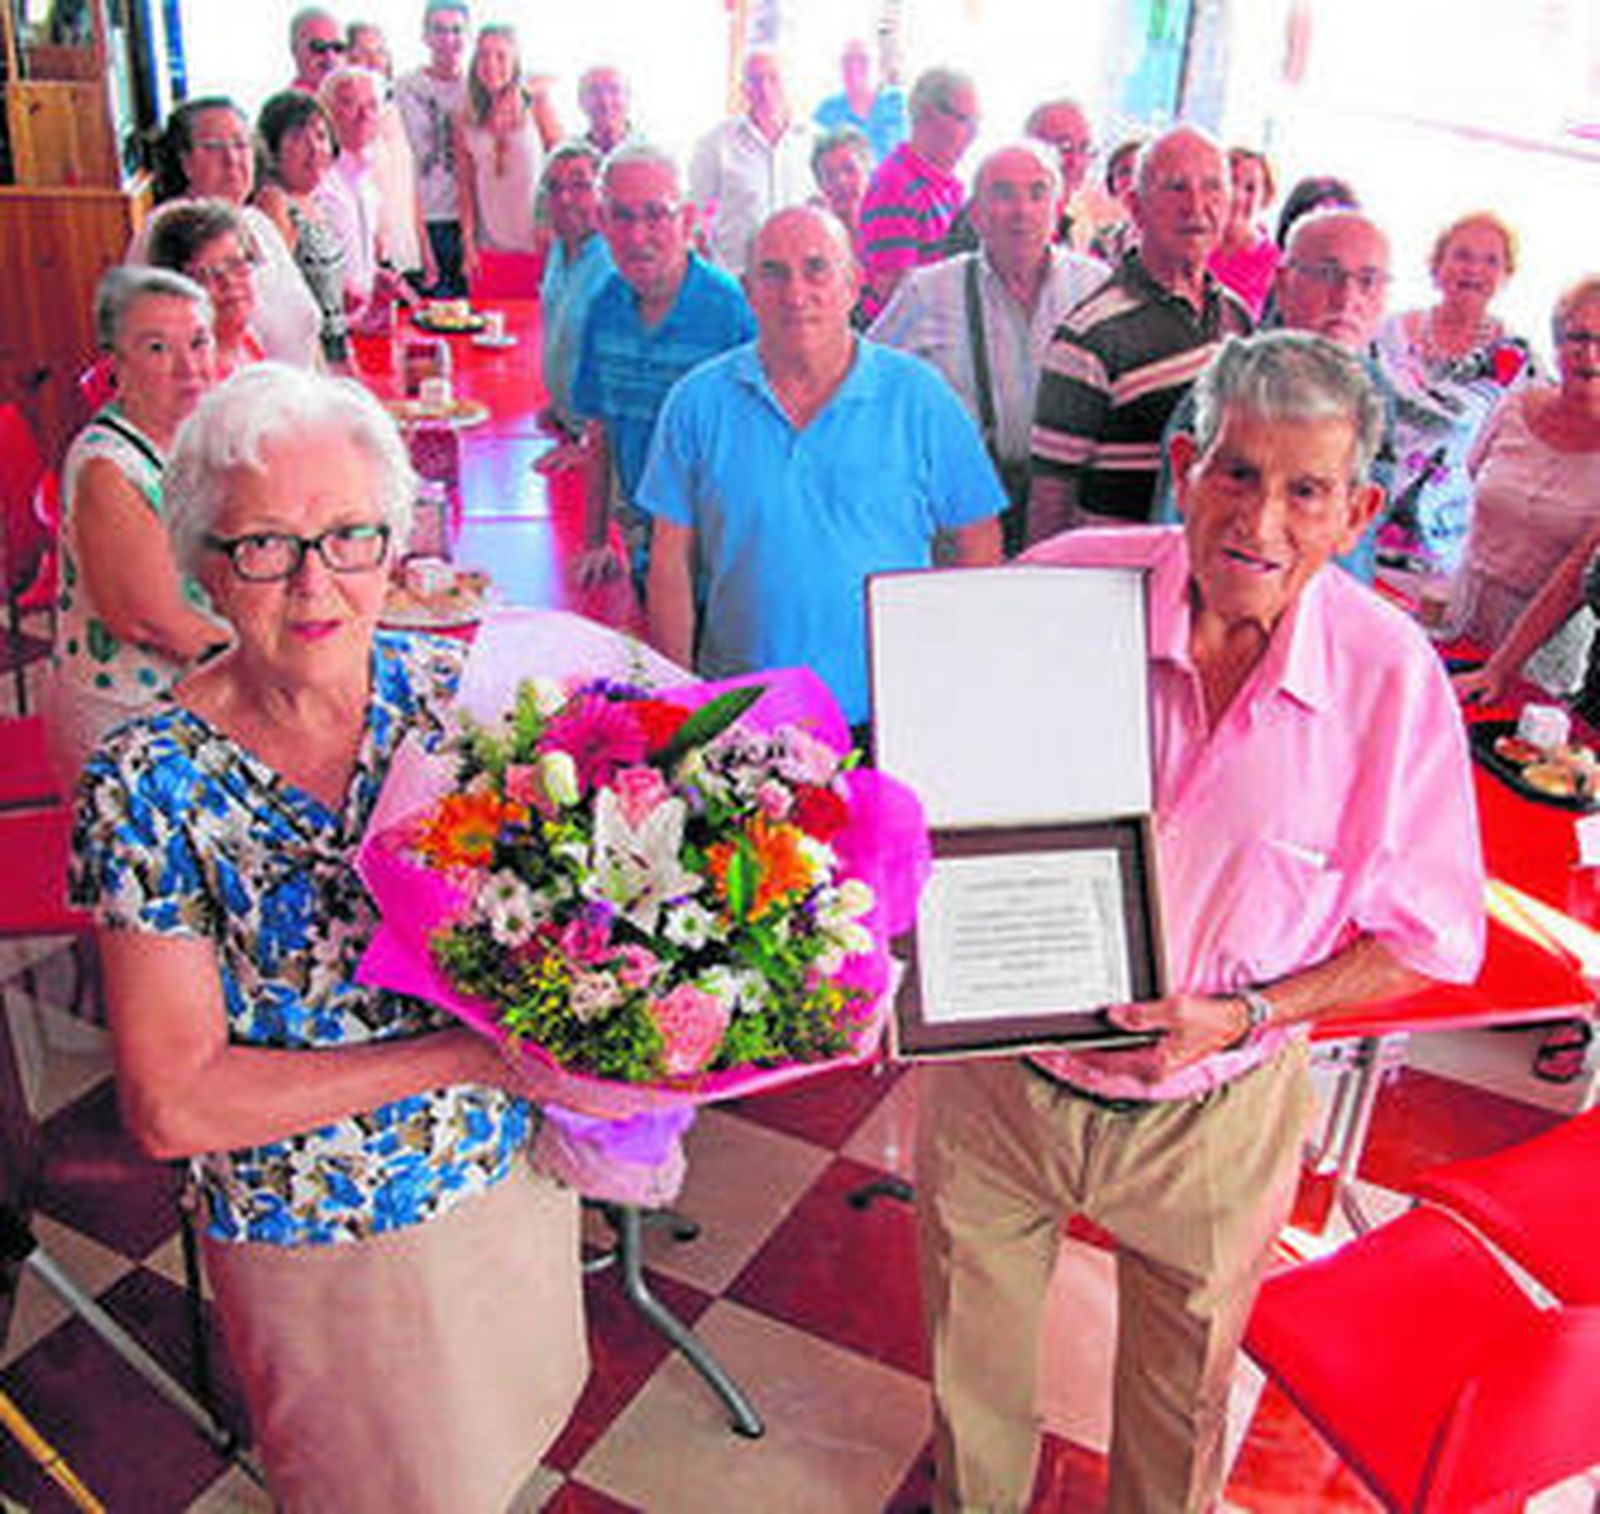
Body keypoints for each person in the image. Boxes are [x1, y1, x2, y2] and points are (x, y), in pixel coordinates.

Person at [919, 330, 1485, 1514]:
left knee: (1181, 1403)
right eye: (1235, 472)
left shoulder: (1390, 681)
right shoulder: (1064, 587)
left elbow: (1430, 933)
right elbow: (933, 788)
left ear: (1357, 508)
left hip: (1216, 1114)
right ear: (1182, 464)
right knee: (970, 1362)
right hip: (1003, 1080)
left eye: (1304, 489)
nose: (1259, 521)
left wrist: (1246, 1013)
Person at [70, 363, 588, 1512]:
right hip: (325, 1233)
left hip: (498, 1184)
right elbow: (175, 1103)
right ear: (204, 557)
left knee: (503, 1455)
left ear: (395, 544)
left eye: (350, 536)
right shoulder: (146, 783)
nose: (315, 583)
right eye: (264, 544)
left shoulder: (460, 697)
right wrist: (471, 1056)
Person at [639, 206, 1005, 730]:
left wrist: (943, 671)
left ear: (853, 284)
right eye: (773, 273)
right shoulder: (696, 401)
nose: (795, 293)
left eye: (817, 269)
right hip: (743, 718)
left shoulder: (919, 396)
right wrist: (681, 710)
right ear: (747, 289)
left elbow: (978, 540)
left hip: (889, 713)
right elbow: (669, 561)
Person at [870, 143, 1106, 553]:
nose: (1022, 210)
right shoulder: (927, 292)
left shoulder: (1096, 287)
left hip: (1068, 522)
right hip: (957, 528)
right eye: (1003, 194)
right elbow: (868, 387)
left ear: (1058, 206)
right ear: (975, 213)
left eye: (1037, 193)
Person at [1030, 126, 1252, 537]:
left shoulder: (1236, 318)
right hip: (1116, 581)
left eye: (1213, 188)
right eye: (1176, 189)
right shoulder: (1089, 337)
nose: (1197, 207)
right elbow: (1050, 503)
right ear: (1135, 206)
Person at [45, 267, 223, 779]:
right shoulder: (107, 467)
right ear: (116, 365)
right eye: (157, 348)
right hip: (127, 725)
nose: (188, 367)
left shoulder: (191, 435)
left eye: (199, 342)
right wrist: (276, 666)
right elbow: (152, 622)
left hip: (189, 700)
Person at [1155, 208, 1397, 582]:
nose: (1347, 297)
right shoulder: (1230, 388)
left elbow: (1360, 536)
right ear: (1282, 283)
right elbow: (1176, 539)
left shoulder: (1376, 391)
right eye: (1328, 275)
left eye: (1368, 280)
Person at [570, 145, 755, 593]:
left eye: (656, 215)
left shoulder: (730, 313)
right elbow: (600, 432)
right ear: (601, 222)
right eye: (621, 216)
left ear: (688, 221)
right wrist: (596, 540)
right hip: (641, 539)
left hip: (719, 551)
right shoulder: (604, 305)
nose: (637, 236)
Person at [1446, 277, 1600, 700]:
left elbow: (1575, 578)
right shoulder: (1515, 404)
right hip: (1465, 607)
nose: (1589, 355)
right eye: (1578, 337)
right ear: (1557, 342)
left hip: (1539, 646)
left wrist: (1499, 668)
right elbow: (1474, 478)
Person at [1374, 210, 1533, 578]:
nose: (1473, 269)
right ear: (1437, 264)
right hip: (1365, 510)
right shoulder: (1387, 332)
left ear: (1506, 275)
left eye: (1491, 260)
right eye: (1462, 256)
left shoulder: (1519, 360)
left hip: (1445, 539)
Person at [145, 97, 321, 367]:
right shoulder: (171, 227)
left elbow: (307, 323)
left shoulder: (258, 223)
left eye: (241, 145)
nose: (232, 159)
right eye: (213, 148)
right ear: (185, 161)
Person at [858, 66, 980, 321]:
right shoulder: (896, 187)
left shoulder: (949, 186)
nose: (974, 132)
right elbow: (896, 296)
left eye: (977, 121)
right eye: (964, 119)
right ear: (926, 115)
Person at [689, 48, 814, 276]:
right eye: (756, 80)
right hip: (737, 279)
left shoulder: (813, 141)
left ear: (788, 83)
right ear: (743, 89)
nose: (765, 90)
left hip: (799, 282)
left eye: (773, 79)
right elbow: (691, 215)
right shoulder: (716, 143)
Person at [255, 90, 352, 371]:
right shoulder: (274, 203)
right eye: (298, 138)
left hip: (335, 357)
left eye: (321, 136)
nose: (315, 149)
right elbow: (278, 300)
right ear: (272, 149)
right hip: (305, 366)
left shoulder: (312, 200)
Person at [455, 24, 560, 277]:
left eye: (501, 56)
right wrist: (468, 243)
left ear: (516, 63)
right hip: (490, 247)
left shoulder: (536, 105)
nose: (491, 64)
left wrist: (549, 224)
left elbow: (562, 170)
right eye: (483, 55)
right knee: (489, 316)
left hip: (539, 245)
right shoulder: (465, 120)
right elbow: (465, 188)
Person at [537, 141, 614, 471]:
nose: (565, 198)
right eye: (555, 188)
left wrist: (590, 448)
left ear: (603, 194)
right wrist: (558, 407)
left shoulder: (616, 262)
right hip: (564, 431)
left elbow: (626, 371)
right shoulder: (559, 249)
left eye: (580, 186)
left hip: (601, 451)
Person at [316, 66, 412, 324]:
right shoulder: (316, 180)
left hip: (365, 327)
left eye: (372, 105)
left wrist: (376, 277)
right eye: (350, 104)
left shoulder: (367, 182)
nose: (364, 115)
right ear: (325, 113)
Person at [345, 18, 433, 291]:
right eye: (362, 52)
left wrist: (425, 250)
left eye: (379, 51)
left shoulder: (393, 110)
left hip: (408, 253)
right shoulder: (348, 119)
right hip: (375, 257)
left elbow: (409, 185)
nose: (373, 60)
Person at [395, 0, 472, 297]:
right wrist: (419, 239)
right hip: (420, 221)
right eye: (439, 30)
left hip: (467, 225)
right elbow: (400, 166)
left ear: (467, 36)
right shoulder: (404, 87)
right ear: (425, 36)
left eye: (456, 30)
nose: (448, 40)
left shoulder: (476, 88)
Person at [144, 201, 265, 379]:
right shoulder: (186, 375)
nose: (228, 281)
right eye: (205, 274)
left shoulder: (245, 342)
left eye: (236, 264)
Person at [1023, 96, 1109, 253]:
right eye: (1064, 148)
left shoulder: (1080, 232)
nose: (1076, 162)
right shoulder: (997, 221)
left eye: (1085, 148)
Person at [811, 36, 908, 163]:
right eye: (847, 60)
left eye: (863, 60)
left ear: (878, 65)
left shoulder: (899, 103)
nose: (854, 67)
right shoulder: (826, 110)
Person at [1209, 147, 1278, 318]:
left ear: (1266, 197)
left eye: (1250, 188)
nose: (1237, 197)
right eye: (1231, 183)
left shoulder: (1274, 263)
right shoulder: (1191, 243)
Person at [810, 125, 872, 246]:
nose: (840, 181)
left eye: (849, 169)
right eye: (829, 175)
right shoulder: (817, 239)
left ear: (868, 171)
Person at [1085, 136, 1142, 265]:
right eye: (1124, 172)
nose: (1134, 179)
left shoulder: (1180, 237)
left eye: (1142, 170)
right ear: (1112, 184)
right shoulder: (1102, 241)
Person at [577, 64, 635, 156]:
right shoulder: (564, 159)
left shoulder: (653, 158)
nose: (605, 102)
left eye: (614, 90)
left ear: (628, 98)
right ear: (581, 101)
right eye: (595, 91)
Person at [287, 5, 345, 95]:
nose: (330, 56)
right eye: (319, 46)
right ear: (295, 49)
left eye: (337, 47)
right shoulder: (291, 105)